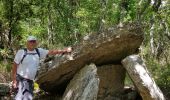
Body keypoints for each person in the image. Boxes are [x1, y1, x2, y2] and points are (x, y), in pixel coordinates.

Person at [12, 35, 72, 100]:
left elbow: (51, 52)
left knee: (27, 98)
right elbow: (15, 66)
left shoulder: (39, 51)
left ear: (36, 43)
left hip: (30, 81)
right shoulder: (21, 52)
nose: (32, 43)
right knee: (20, 97)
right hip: (20, 79)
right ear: (27, 43)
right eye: (30, 41)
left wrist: (64, 50)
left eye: (34, 41)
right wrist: (14, 80)